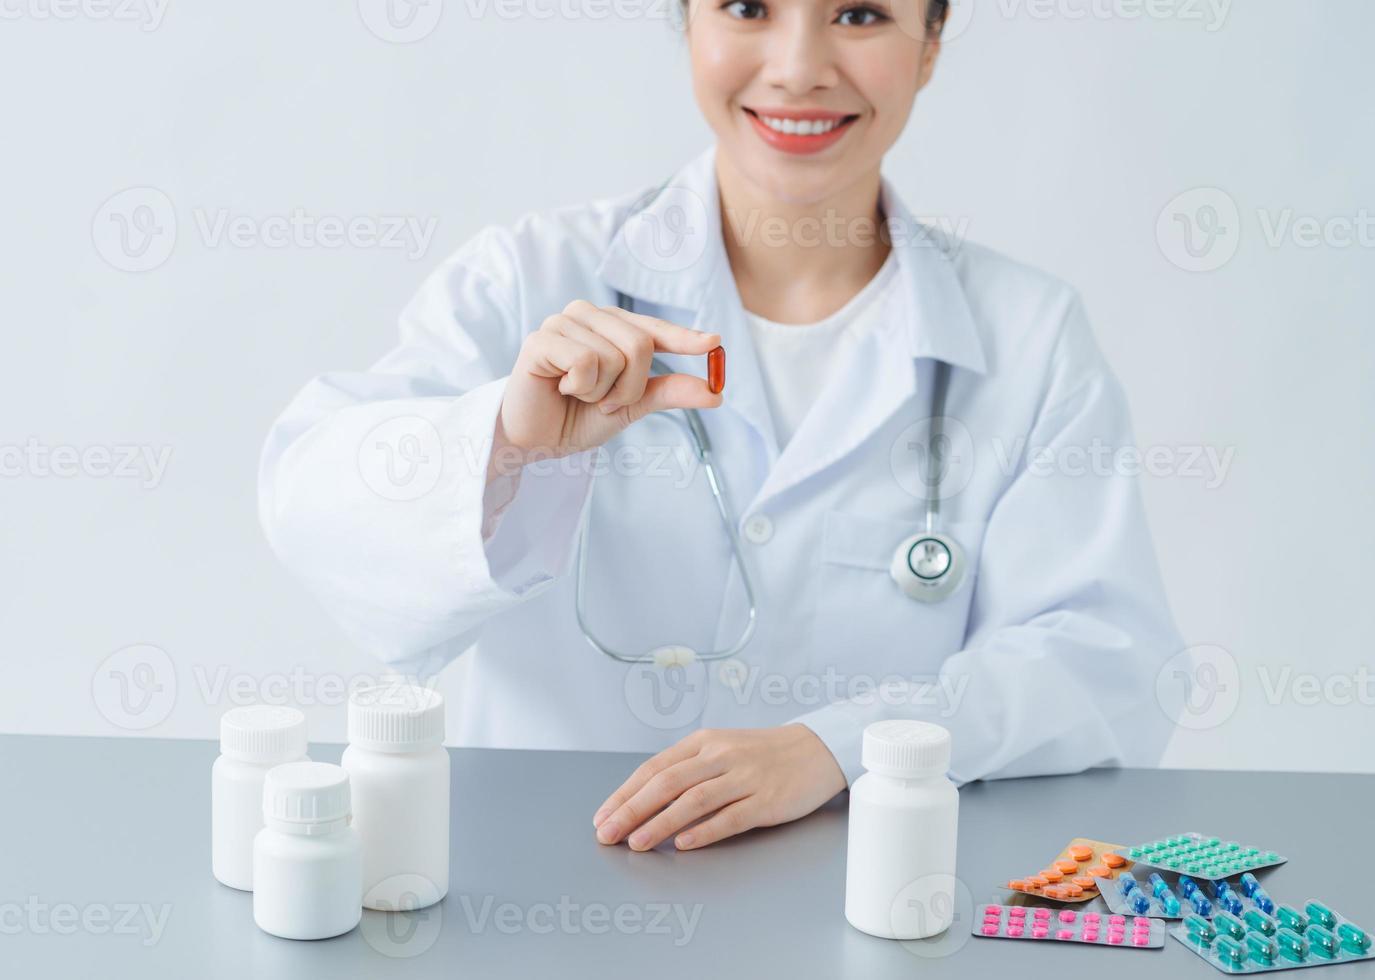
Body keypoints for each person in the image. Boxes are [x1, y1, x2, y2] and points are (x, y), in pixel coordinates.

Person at [259, 0, 1182, 855]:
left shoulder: (1029, 335)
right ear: (689, 22)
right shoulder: (527, 276)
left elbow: (1102, 665)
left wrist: (836, 747)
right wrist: (506, 441)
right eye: (748, 7)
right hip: (545, 894)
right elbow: (310, 500)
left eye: (858, 13)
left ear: (931, 41)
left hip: (861, 899)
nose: (796, 68)